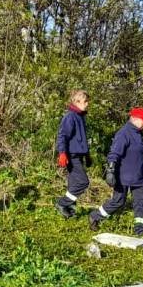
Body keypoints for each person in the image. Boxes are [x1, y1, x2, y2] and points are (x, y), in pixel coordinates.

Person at [89, 108, 143, 237]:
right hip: (123, 176)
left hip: (139, 177)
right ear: (134, 119)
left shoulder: (139, 134)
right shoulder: (123, 134)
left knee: (141, 203)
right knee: (118, 201)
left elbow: (142, 156)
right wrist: (110, 171)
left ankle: (140, 230)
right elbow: (114, 154)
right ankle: (95, 216)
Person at [54, 90, 91, 218]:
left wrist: (87, 156)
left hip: (79, 155)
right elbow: (62, 135)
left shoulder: (80, 116)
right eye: (85, 101)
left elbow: (81, 139)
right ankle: (62, 203)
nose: (87, 104)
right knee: (83, 182)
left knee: (74, 183)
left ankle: (70, 212)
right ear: (77, 102)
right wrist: (62, 153)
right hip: (72, 155)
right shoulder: (70, 117)